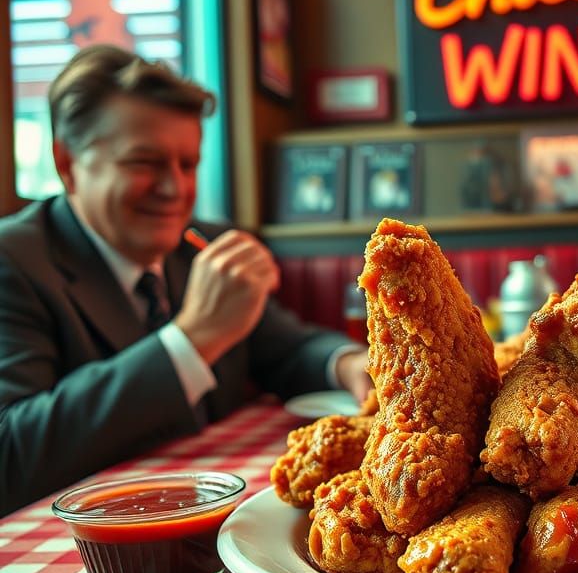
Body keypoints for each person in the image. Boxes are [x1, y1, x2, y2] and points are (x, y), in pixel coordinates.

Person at [0, 45, 370, 514]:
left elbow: (287, 347)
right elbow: (10, 454)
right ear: (67, 164)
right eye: (144, 163)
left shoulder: (200, 243)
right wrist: (191, 340)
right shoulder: (13, 259)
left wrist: (350, 364)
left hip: (221, 508)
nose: (176, 190)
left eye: (188, 164)